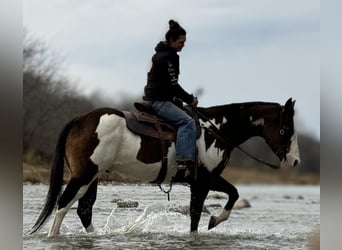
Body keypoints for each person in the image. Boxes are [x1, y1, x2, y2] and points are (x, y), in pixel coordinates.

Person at [143, 19, 198, 178]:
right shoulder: (167, 57)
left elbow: (170, 86)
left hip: (163, 98)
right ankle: (183, 159)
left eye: (184, 42)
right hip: (160, 102)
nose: (183, 45)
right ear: (172, 40)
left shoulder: (164, 54)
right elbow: (173, 86)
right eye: (181, 42)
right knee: (187, 121)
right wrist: (190, 99)